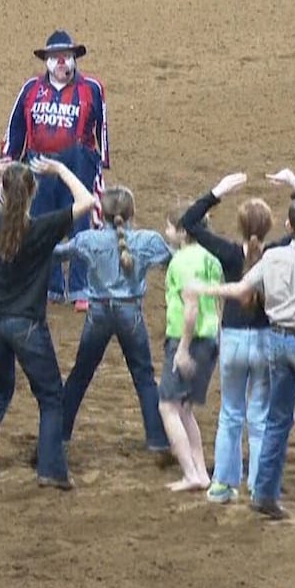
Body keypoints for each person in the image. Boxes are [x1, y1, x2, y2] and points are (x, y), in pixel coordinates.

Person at [0, 157, 96, 490]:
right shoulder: (42, 228)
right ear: (32, 194)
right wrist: (60, 171)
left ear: (2, 193)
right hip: (27, 324)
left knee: (0, 390)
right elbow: (87, 202)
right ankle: (51, 469)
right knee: (50, 397)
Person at [184, 190, 295, 524]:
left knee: (254, 417)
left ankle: (250, 490)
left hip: (263, 342)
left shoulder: (270, 259)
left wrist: (204, 289)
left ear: (289, 223)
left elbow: (239, 290)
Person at [54, 185, 172, 456]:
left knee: (80, 374)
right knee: (143, 376)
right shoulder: (148, 240)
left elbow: (58, 253)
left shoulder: (88, 240)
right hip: (130, 311)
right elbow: (173, 259)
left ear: (101, 215)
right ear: (132, 213)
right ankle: (157, 439)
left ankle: (60, 433)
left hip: (98, 312)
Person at [177, 173, 273, 504]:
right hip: (266, 341)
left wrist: (218, 191)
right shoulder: (275, 255)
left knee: (230, 412)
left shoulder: (229, 254)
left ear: (241, 227)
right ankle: (261, 485)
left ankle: (223, 484)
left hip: (232, 339)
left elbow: (189, 222)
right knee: (260, 416)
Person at [1, 30, 109, 311]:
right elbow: (16, 128)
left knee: (81, 224)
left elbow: (102, 127)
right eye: (54, 57)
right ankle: (50, 286)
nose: (61, 62)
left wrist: (100, 164)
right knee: (39, 223)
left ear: (74, 59)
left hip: (78, 164)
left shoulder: (92, 88)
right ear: (46, 61)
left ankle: (80, 287)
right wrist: (7, 163)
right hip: (37, 164)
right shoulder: (30, 89)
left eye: (66, 56)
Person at [158, 205, 223, 492]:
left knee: (168, 406)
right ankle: (200, 472)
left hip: (188, 338)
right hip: (210, 337)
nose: (166, 231)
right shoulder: (213, 258)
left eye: (170, 227)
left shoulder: (181, 261)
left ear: (183, 231)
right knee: (185, 408)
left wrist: (182, 349)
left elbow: (191, 308)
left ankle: (190, 473)